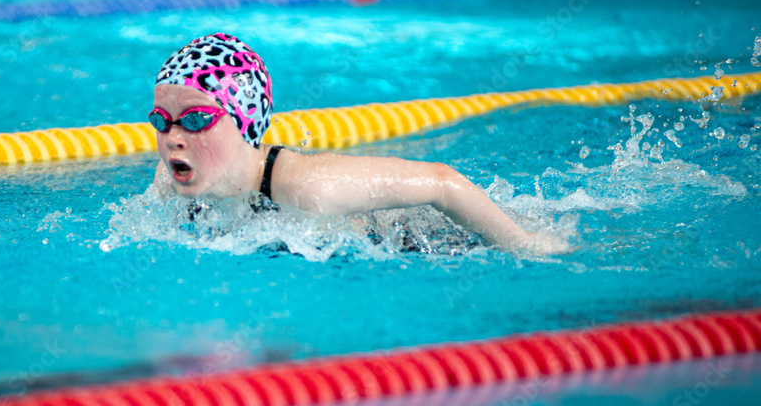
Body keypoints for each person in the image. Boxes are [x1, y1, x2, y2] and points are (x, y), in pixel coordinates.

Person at [150, 32, 568, 255]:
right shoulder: (176, 178)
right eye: (161, 121)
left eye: (195, 120)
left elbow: (442, 183)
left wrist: (524, 244)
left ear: (245, 122)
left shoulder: (306, 188)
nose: (173, 139)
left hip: (430, 241)